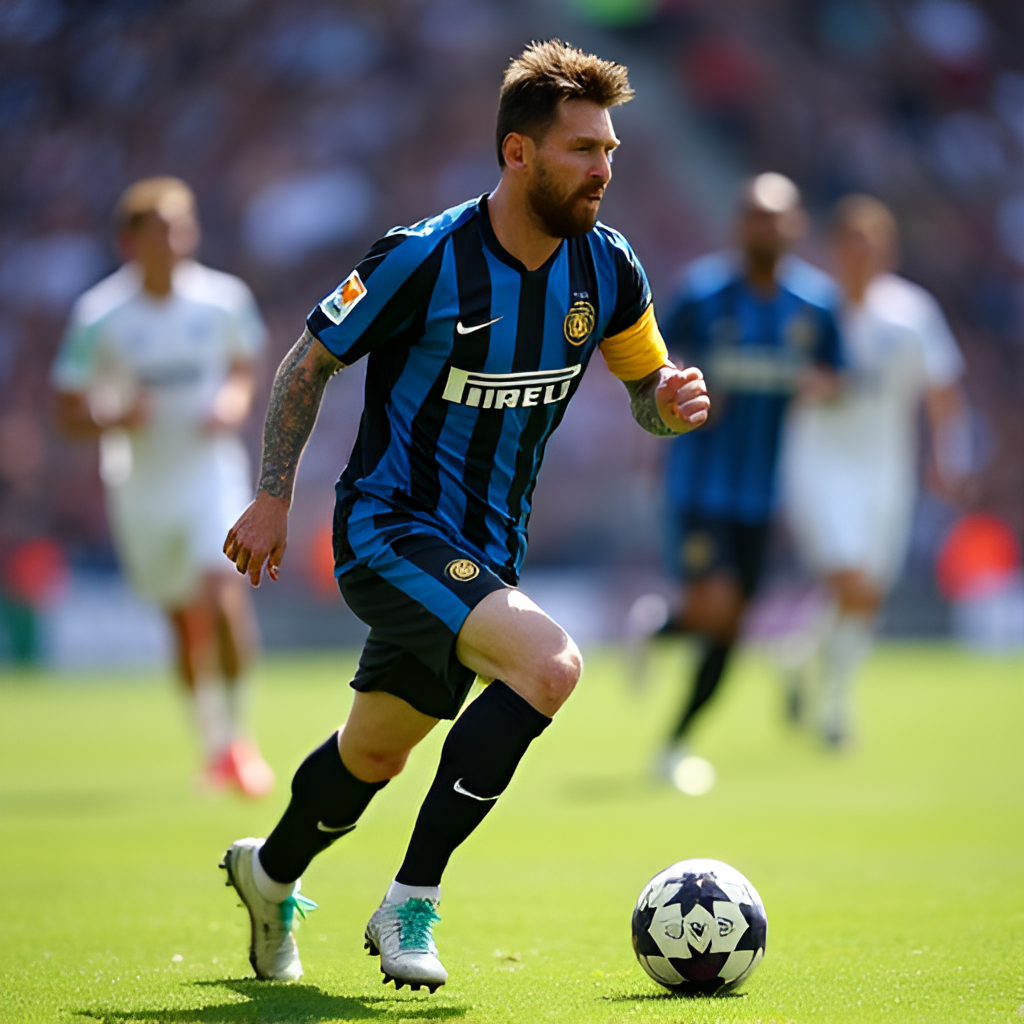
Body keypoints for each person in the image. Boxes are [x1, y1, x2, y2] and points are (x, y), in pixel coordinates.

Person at [218, 40, 710, 992]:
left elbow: (647, 388)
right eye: (581, 150)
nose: (603, 168)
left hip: (487, 554)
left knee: (375, 752)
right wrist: (274, 496)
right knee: (550, 664)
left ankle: (269, 873)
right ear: (518, 154)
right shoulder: (422, 257)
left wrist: (671, 404)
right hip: (387, 530)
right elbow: (308, 360)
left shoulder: (609, 270)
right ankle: (412, 899)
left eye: (609, 150)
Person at [51, 177, 274, 797]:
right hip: (142, 485)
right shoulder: (100, 317)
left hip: (210, 473)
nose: (172, 242)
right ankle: (211, 744)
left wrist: (231, 403)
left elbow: (243, 367)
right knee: (182, 621)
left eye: (181, 228)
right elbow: (68, 408)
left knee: (221, 588)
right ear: (130, 242)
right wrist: (113, 416)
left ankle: (239, 741)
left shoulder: (223, 300)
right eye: (159, 231)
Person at [641, 173, 844, 787]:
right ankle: (673, 741)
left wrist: (820, 387)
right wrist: (681, 385)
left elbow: (837, 374)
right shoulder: (704, 293)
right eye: (756, 215)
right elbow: (652, 358)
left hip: (762, 495)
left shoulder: (815, 305)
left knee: (727, 626)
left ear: (795, 225)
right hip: (699, 487)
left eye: (777, 216)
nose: (767, 227)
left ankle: (674, 729)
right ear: (739, 224)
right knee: (720, 603)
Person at [781, 194, 969, 747]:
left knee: (866, 594)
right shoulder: (811, 310)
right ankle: (838, 711)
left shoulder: (912, 315)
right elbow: (780, 380)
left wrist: (947, 457)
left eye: (873, 244)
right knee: (848, 579)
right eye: (852, 244)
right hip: (819, 463)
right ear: (835, 248)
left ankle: (800, 661)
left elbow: (942, 390)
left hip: (885, 471)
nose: (862, 256)